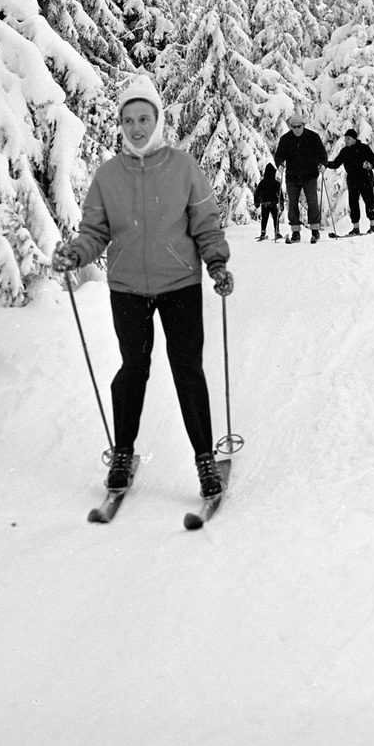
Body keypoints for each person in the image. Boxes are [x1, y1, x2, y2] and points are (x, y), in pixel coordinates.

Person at [52, 73, 234, 498]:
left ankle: (205, 459)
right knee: (133, 370)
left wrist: (217, 265)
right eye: (129, 119)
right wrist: (76, 253)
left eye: (144, 118)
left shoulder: (184, 167)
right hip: (128, 287)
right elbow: (94, 231)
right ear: (121, 123)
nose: (137, 127)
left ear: (158, 120)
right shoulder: (108, 176)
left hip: (181, 284)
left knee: (187, 370)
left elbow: (206, 224)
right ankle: (122, 453)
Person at [272, 112, 328, 244]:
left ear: (303, 125)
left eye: (299, 126)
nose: (296, 129)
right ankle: (295, 232)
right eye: (294, 127)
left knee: (312, 202)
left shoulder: (312, 137)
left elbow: (322, 153)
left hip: (310, 176)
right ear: (291, 127)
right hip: (292, 176)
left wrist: (322, 165)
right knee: (292, 204)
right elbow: (279, 155)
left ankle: (315, 230)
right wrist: (279, 164)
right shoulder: (286, 139)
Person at [326, 128, 374, 234]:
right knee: (353, 204)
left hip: (365, 178)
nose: (345, 141)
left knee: (369, 202)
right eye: (345, 139)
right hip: (352, 180)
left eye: (348, 138)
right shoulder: (344, 151)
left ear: (354, 139)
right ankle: (356, 228)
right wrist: (325, 164)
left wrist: (370, 165)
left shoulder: (364, 148)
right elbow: (335, 164)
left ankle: (373, 226)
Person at [253, 162, 284, 241]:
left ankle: (263, 233)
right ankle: (276, 232)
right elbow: (280, 194)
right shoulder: (276, 183)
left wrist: (256, 202)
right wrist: (281, 203)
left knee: (264, 218)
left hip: (264, 204)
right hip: (273, 204)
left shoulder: (262, 183)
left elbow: (257, 193)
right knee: (275, 218)